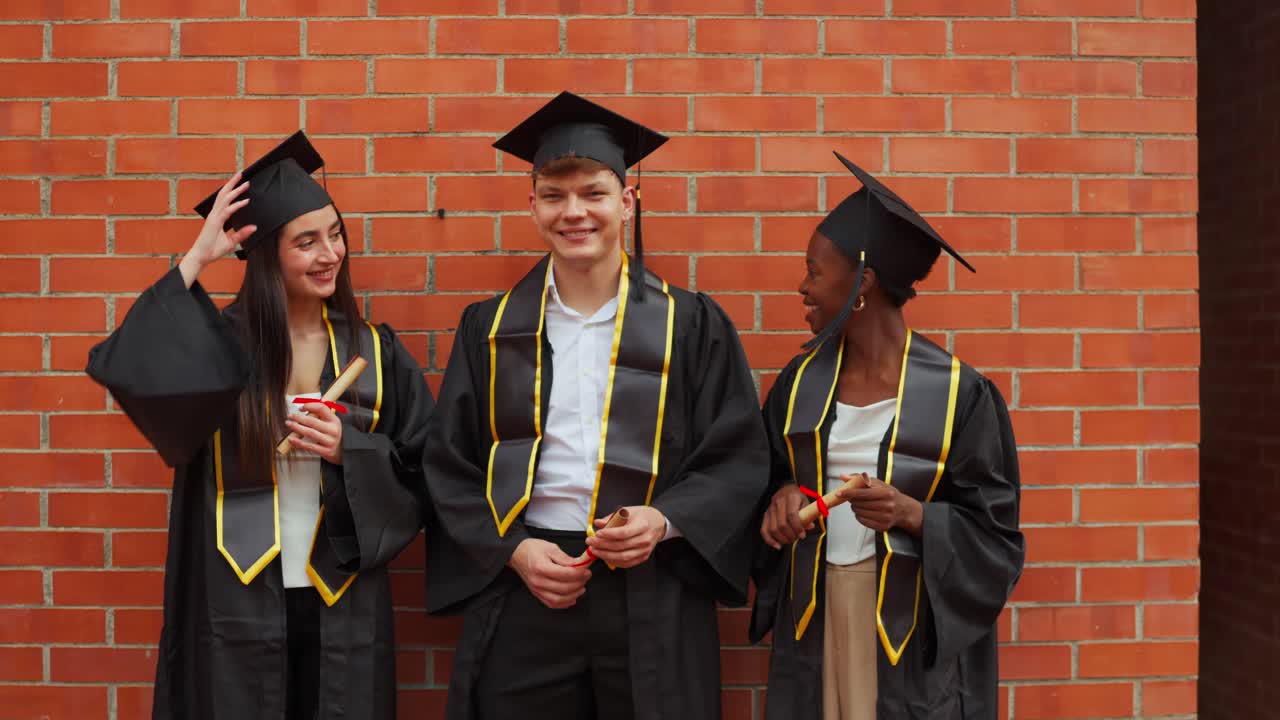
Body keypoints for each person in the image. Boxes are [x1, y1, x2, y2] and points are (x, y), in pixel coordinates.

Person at [421, 91, 769, 720]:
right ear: (532, 206)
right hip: (529, 583)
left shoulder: (688, 325)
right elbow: (449, 466)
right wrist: (514, 551)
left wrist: (664, 520)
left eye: (594, 193)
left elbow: (738, 457)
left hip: (652, 586)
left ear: (628, 203)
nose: (573, 212)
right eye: (554, 196)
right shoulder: (490, 329)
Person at [85, 131, 434, 720]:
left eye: (336, 233)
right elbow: (126, 364)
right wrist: (196, 258)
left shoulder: (374, 351)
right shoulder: (217, 349)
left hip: (341, 601)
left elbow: (426, 469)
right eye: (306, 241)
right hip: (233, 601)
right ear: (267, 254)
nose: (330, 253)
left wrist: (350, 450)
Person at [750, 152, 1025, 720]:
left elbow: (996, 541)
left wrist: (912, 513)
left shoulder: (959, 395)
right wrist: (779, 497)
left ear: (862, 283)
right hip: (816, 610)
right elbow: (764, 478)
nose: (803, 287)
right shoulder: (799, 383)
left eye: (814, 270)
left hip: (907, 623)